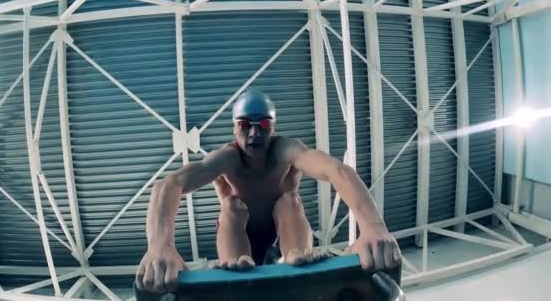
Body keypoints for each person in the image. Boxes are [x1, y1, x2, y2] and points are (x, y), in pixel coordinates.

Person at [136, 89, 401, 293]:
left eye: (263, 125)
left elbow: (337, 171)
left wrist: (373, 227)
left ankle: (296, 257)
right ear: (234, 128)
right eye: (244, 125)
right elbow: (169, 184)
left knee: (289, 200)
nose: (254, 133)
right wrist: (159, 246)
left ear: (273, 128)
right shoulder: (226, 159)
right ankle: (235, 268)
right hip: (239, 237)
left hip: (282, 235)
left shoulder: (285, 151)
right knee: (232, 205)